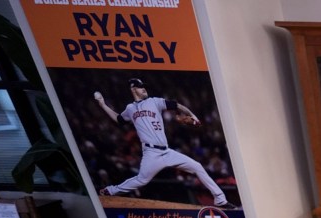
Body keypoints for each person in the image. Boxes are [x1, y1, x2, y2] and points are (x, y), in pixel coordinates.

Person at [93, 77, 229, 207]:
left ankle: (220, 199)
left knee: (197, 166)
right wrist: (102, 104)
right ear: (133, 89)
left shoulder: (154, 101)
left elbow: (177, 105)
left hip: (167, 151)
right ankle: (110, 191)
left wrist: (193, 115)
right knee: (141, 180)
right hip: (151, 153)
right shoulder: (130, 109)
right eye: (140, 87)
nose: (144, 89)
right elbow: (118, 119)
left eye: (144, 87)